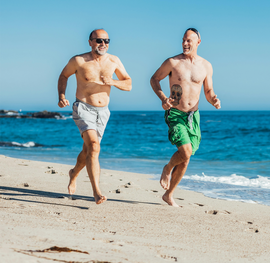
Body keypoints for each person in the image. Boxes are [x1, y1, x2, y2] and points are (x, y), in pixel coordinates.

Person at [58, 29, 132, 204]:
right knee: (94, 146)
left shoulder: (114, 60)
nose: (103, 44)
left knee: (88, 150)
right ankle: (97, 192)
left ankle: (74, 173)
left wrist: (113, 82)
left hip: (103, 112)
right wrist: (61, 95)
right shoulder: (78, 61)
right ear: (90, 42)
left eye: (107, 41)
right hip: (83, 108)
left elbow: (128, 84)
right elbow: (63, 75)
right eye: (99, 40)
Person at [150, 28, 221, 207]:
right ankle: (167, 168)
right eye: (183, 40)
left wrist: (213, 99)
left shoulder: (206, 65)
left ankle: (169, 194)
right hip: (175, 113)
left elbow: (208, 90)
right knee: (186, 152)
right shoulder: (173, 62)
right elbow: (154, 79)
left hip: (193, 117)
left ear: (198, 42)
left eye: (189, 40)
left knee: (186, 157)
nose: (185, 43)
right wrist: (163, 99)